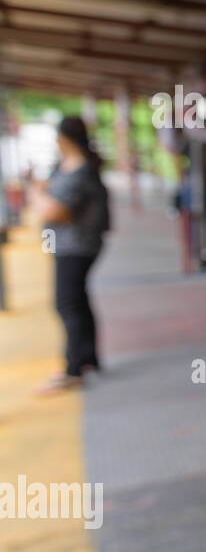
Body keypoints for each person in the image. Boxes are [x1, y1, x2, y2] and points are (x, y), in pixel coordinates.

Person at [31, 115, 110, 394]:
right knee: (78, 301)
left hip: (76, 246)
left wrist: (38, 194)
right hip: (70, 245)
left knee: (67, 304)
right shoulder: (70, 167)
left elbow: (55, 211)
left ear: (62, 139)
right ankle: (87, 358)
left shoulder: (81, 171)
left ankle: (73, 368)